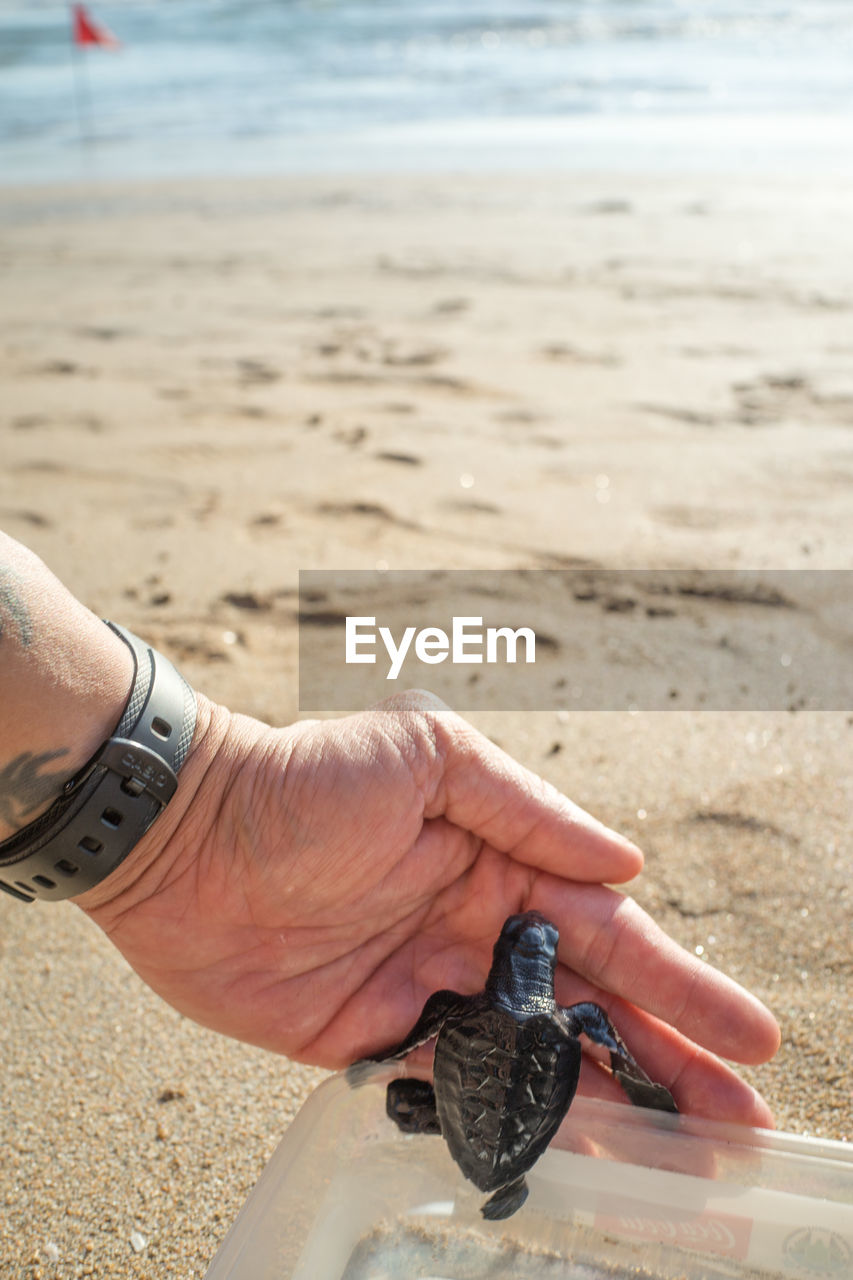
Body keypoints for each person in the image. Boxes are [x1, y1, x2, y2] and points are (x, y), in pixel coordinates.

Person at [0, 530, 780, 1123]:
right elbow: (555, 1027)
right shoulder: (538, 1012)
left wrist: (201, 808)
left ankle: (423, 1111)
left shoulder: (463, 1009)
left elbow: (441, 1021)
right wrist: (201, 811)